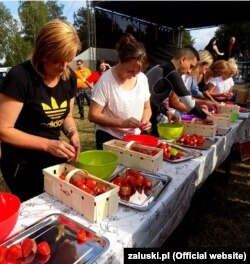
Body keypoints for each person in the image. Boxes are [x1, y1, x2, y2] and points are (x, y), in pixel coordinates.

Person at [0, 19, 82, 202]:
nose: (63, 68)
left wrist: (72, 133)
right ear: (43, 52)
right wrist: (47, 144)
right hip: (22, 164)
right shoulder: (20, 77)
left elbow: (66, 115)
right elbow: (4, 130)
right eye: (57, 61)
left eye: (68, 61)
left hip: (52, 158)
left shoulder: (69, 78)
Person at [88, 33, 152, 150]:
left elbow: (147, 108)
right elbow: (93, 115)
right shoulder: (106, 80)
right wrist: (122, 123)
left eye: (137, 72)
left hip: (134, 138)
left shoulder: (142, 79)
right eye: (130, 70)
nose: (133, 75)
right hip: (110, 139)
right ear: (120, 60)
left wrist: (145, 120)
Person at [146, 46, 213, 136]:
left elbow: (154, 99)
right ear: (183, 59)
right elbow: (187, 99)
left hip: (150, 113)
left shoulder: (165, 68)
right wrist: (203, 116)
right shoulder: (171, 72)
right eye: (191, 66)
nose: (189, 71)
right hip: (144, 117)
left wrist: (166, 112)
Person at [168, 50, 221, 115]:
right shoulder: (182, 75)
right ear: (200, 63)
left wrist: (206, 103)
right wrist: (199, 111)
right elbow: (174, 102)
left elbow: (186, 99)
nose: (204, 72)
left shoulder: (189, 77)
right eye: (206, 68)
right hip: (170, 115)